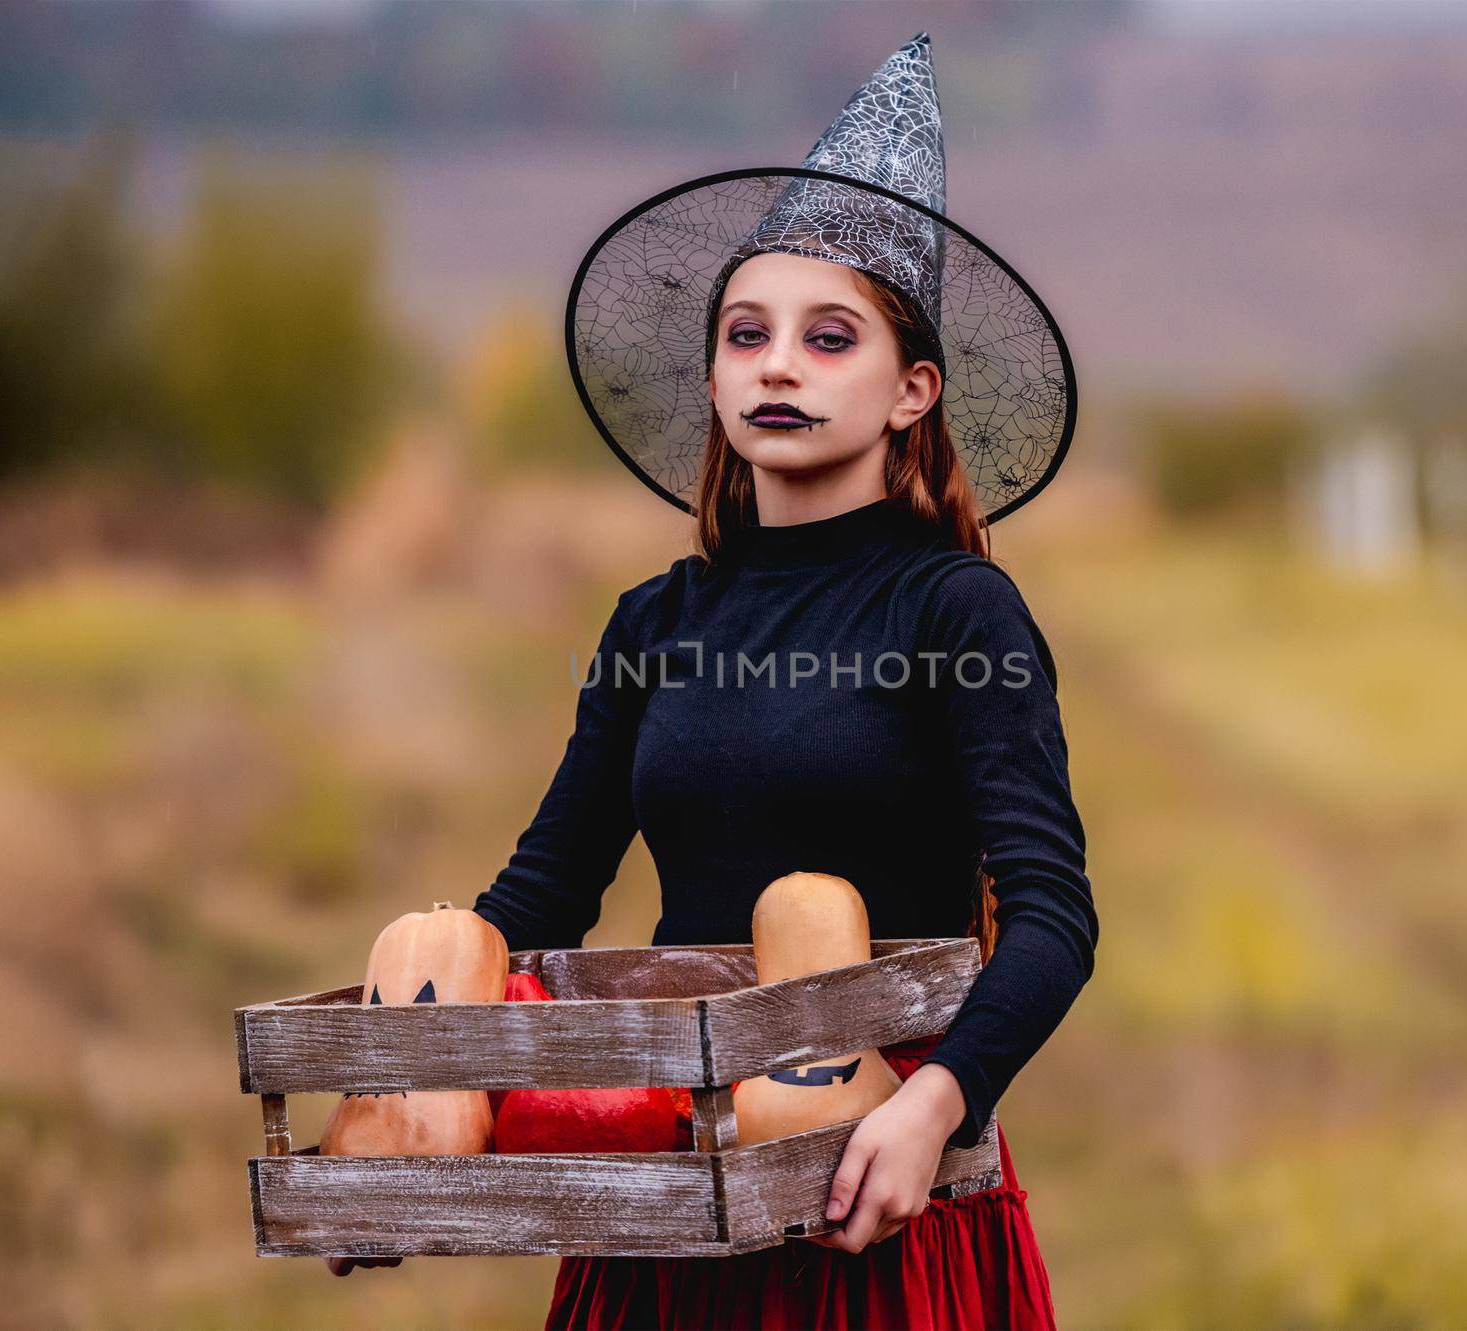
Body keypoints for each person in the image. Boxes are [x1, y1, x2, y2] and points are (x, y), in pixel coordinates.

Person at [339, 32, 1099, 1329]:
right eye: (747, 334)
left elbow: (1051, 916)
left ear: (913, 390)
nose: (778, 363)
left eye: (828, 336)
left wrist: (937, 1103)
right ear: (711, 377)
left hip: (869, 1171)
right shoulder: (657, 621)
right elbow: (544, 895)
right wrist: (408, 1095)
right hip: (672, 1186)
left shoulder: (952, 608)